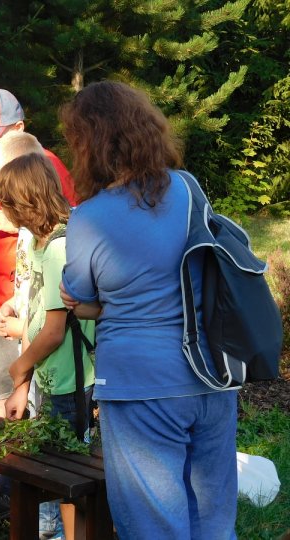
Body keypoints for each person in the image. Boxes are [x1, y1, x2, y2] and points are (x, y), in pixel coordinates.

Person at [58, 80, 238, 539]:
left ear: (89, 143)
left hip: (140, 385)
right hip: (211, 374)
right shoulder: (189, 187)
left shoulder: (88, 218)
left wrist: (94, 306)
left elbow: (79, 301)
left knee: (154, 525)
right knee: (213, 521)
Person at [0, 88, 78, 529]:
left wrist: (12, 219)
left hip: (41, 308)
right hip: (0, 297)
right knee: (4, 397)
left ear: (19, 130)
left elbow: (64, 216)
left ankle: (36, 496)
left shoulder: (48, 167)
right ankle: (9, 483)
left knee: (42, 402)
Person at [0, 152, 96, 540]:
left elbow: (54, 331)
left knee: (67, 475)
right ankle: (50, 530)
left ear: (24, 201)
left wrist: (20, 367)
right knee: (48, 469)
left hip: (69, 381)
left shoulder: (58, 247)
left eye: (6, 201)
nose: (2, 210)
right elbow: (35, 307)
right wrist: (24, 384)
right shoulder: (36, 241)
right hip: (48, 377)